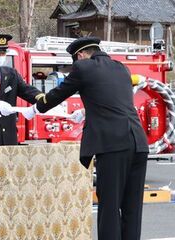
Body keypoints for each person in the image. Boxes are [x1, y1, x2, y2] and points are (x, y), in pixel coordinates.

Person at [22, 37, 149, 240]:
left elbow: (57, 95)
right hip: (138, 142)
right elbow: (111, 100)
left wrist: (35, 108)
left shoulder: (83, 68)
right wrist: (86, 110)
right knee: (132, 208)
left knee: (109, 207)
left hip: (112, 145)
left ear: (80, 56)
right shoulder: (121, 68)